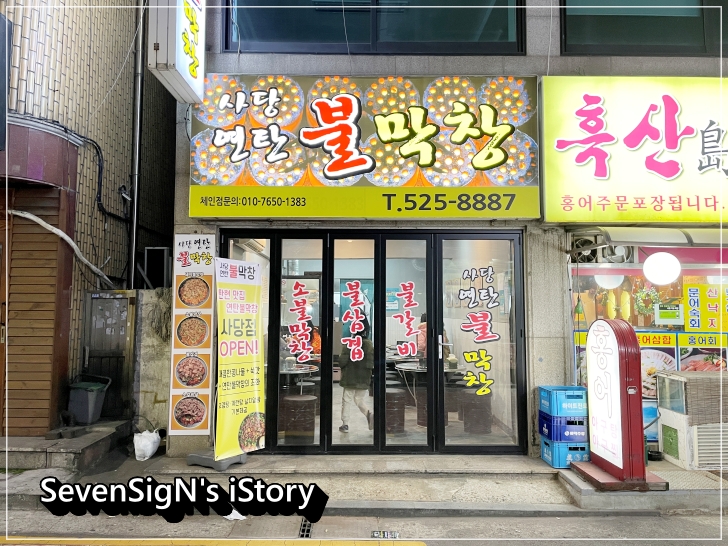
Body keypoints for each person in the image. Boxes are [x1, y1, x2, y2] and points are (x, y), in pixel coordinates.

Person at [338, 317, 374, 433]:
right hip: (364, 377)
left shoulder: (349, 343)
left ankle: (345, 424)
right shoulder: (369, 344)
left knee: (347, 400)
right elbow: (371, 363)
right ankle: (369, 414)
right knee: (359, 399)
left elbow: (342, 362)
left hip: (350, 377)